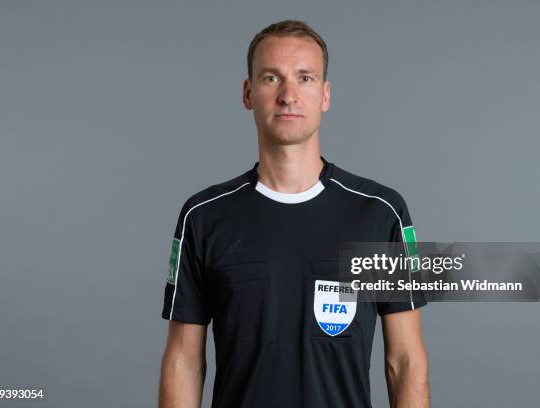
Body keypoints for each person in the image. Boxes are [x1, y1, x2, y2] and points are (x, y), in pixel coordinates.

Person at [159, 20, 429, 408]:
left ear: (325, 94)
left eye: (305, 78)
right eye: (272, 78)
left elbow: (405, 362)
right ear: (248, 93)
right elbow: (183, 361)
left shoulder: (379, 212)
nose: (288, 95)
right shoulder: (202, 217)